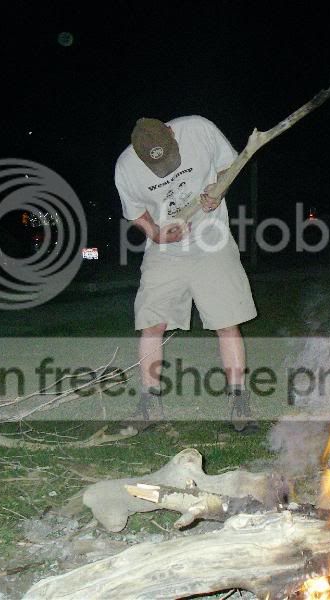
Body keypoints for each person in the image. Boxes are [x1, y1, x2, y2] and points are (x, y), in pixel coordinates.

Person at [115, 116, 258, 431]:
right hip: (165, 251)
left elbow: (229, 165)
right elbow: (135, 211)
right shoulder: (126, 166)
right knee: (151, 324)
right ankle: (150, 406)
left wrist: (218, 189)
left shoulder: (198, 129)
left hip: (212, 242)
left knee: (227, 322)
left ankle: (239, 402)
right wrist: (155, 234)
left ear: (171, 132)